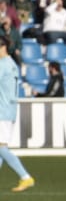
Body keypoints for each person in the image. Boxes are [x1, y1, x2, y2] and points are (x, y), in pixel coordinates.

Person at [0, 35, 35, 191]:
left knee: (1, 148)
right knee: (1, 148)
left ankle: (25, 176)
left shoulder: (2, 65)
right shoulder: (12, 64)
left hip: (2, 110)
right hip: (9, 110)